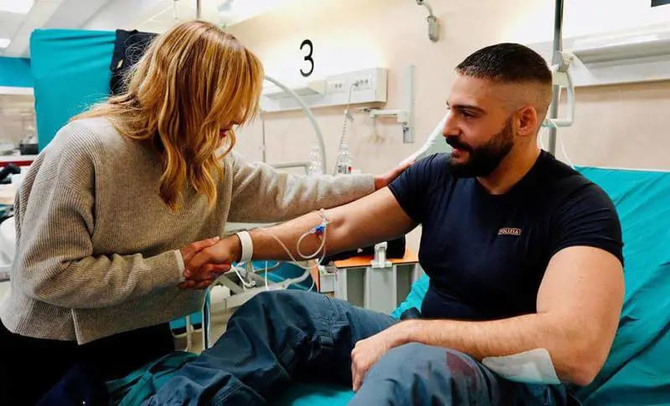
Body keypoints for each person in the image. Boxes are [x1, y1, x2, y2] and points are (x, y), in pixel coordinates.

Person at [146, 43, 625, 405]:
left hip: (506, 379)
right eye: (450, 109)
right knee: (279, 311)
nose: (448, 128)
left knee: (412, 364)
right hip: (421, 342)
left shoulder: (578, 206)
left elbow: (577, 350)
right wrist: (239, 246)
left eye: (468, 114)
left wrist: (414, 334)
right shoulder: (441, 174)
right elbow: (338, 226)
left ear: (524, 121)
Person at [0, 20, 406, 405]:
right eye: (229, 104)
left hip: (144, 332)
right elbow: (48, 274)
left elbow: (284, 191)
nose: (237, 119)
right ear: (187, 94)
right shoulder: (85, 149)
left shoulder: (205, 158)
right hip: (59, 352)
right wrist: (175, 267)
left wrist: (375, 185)